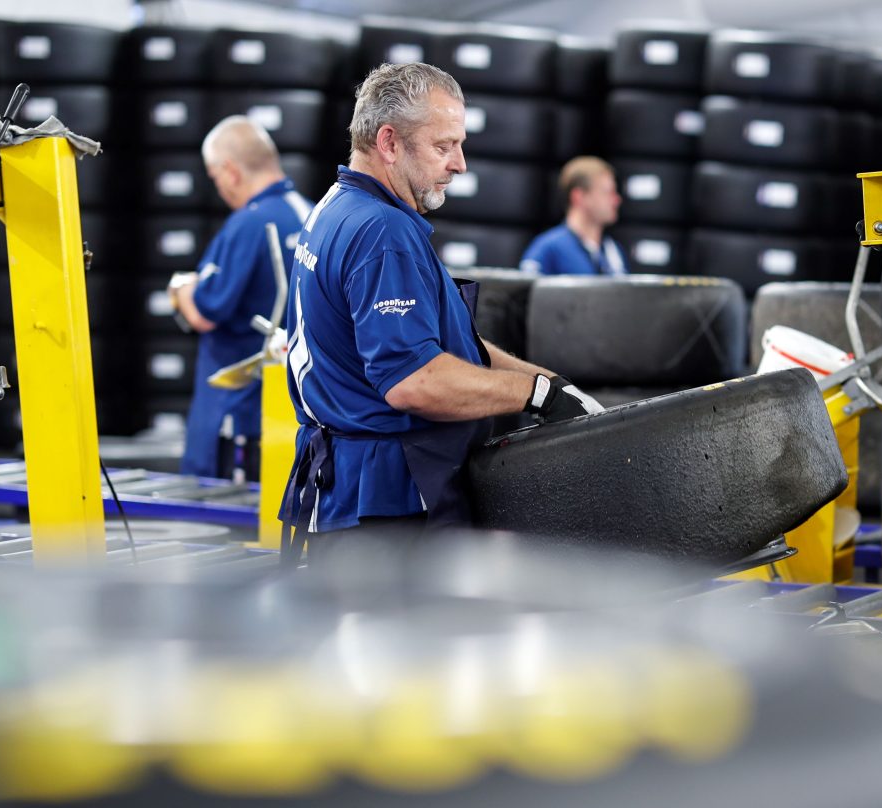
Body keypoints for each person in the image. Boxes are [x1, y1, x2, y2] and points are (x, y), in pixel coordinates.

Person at [278, 63, 603, 562]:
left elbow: (440, 345)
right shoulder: (382, 233)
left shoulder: (334, 209)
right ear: (388, 143)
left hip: (351, 500)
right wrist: (534, 395)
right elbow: (415, 380)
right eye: (443, 146)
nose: (460, 164)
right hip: (389, 515)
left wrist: (550, 383)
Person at [168, 116, 313, 479]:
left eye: (215, 178)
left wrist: (180, 288)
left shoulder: (249, 224)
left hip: (239, 414)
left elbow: (205, 311)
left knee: (221, 523)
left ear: (230, 171)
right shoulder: (314, 214)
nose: (219, 189)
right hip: (300, 409)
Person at [519, 156, 627, 276]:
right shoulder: (548, 248)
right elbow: (527, 292)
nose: (617, 200)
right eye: (607, 192)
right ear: (579, 197)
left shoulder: (613, 251)